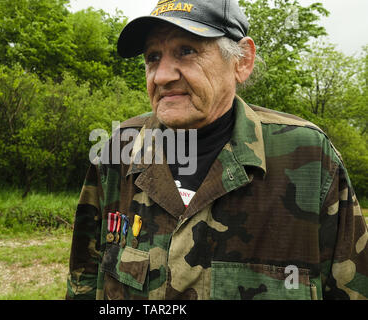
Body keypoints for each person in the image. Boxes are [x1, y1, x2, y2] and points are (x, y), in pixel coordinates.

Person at [66, 0, 368, 300]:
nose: (161, 76)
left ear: (242, 61)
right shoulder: (120, 148)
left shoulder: (309, 156)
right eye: (153, 57)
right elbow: (84, 277)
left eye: (186, 51)